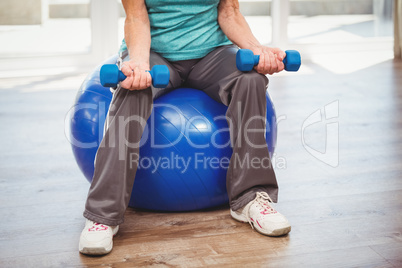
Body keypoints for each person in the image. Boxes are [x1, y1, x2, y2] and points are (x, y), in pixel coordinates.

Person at [79, 0, 291, 255]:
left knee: (250, 80)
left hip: (212, 53)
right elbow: (136, 16)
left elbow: (230, 11)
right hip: (154, 53)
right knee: (133, 89)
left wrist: (258, 51)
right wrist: (137, 62)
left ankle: (251, 197)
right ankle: (103, 214)